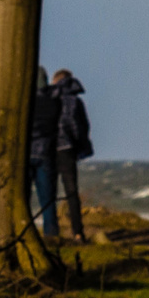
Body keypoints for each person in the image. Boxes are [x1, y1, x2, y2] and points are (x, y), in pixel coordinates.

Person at [51, 69, 92, 241]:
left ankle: (51, 231)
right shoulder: (76, 101)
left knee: (49, 192)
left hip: (50, 148)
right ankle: (77, 232)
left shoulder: (50, 99)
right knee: (71, 192)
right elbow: (82, 127)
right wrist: (80, 146)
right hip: (68, 149)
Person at [27, 67, 60, 238]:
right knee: (48, 200)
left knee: (22, 198)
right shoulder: (54, 101)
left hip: (26, 153)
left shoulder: (24, 101)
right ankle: (51, 234)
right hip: (46, 152)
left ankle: (23, 233)